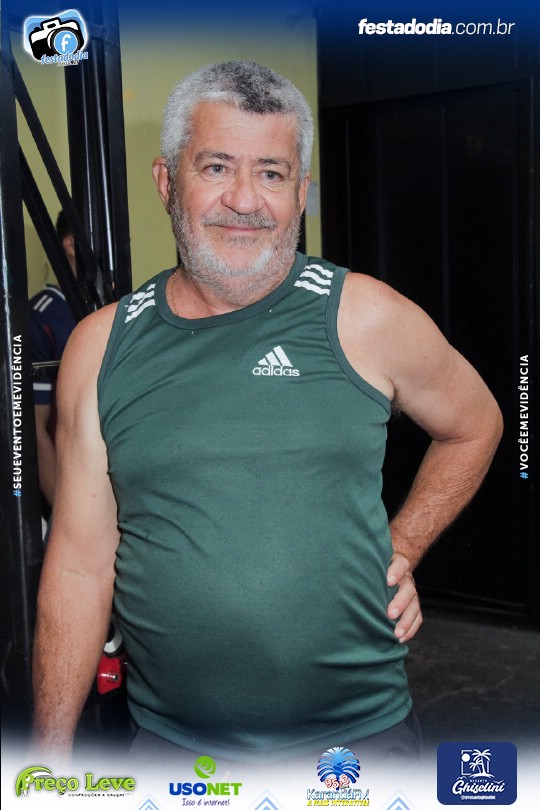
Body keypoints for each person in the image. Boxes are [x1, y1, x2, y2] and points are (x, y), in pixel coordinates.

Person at [31, 61, 502, 767]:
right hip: (172, 751)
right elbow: (78, 567)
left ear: (301, 193)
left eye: (272, 173)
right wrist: (44, 764)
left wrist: (403, 546)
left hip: (358, 745)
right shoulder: (101, 347)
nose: (245, 200)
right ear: (167, 182)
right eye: (216, 167)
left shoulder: (365, 317)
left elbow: (477, 423)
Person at [29, 211, 77, 511]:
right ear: (71, 245)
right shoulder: (41, 318)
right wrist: (66, 511)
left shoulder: (119, 310)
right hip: (69, 487)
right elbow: (33, 429)